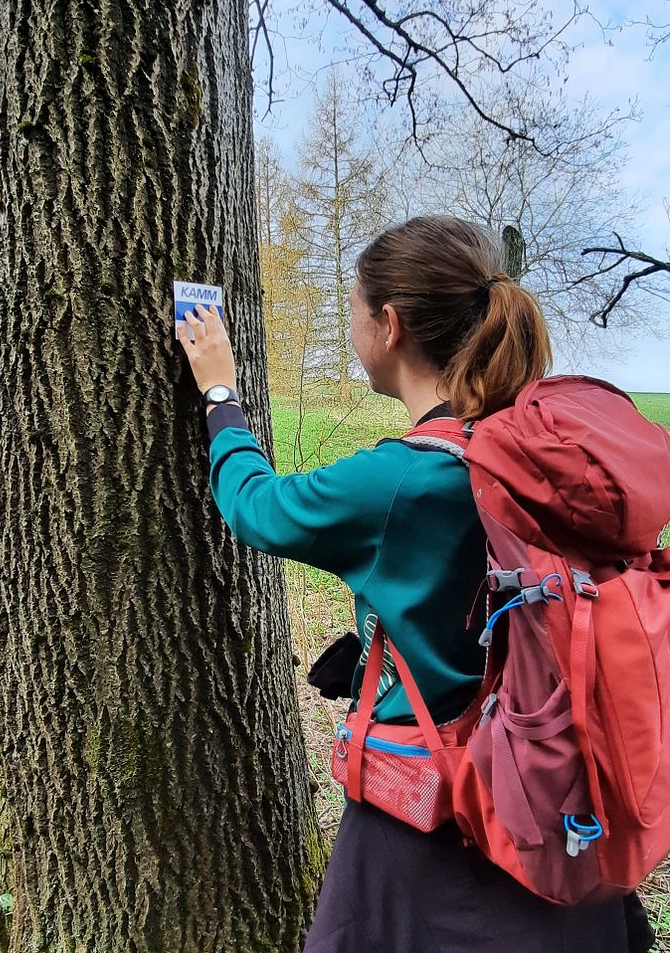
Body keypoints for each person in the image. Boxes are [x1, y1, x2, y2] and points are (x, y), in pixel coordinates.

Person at [177, 215, 655, 953]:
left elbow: (255, 505)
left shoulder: (404, 480)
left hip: (431, 821)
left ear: (390, 326)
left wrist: (218, 393)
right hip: (558, 808)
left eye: (355, 311)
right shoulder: (538, 460)